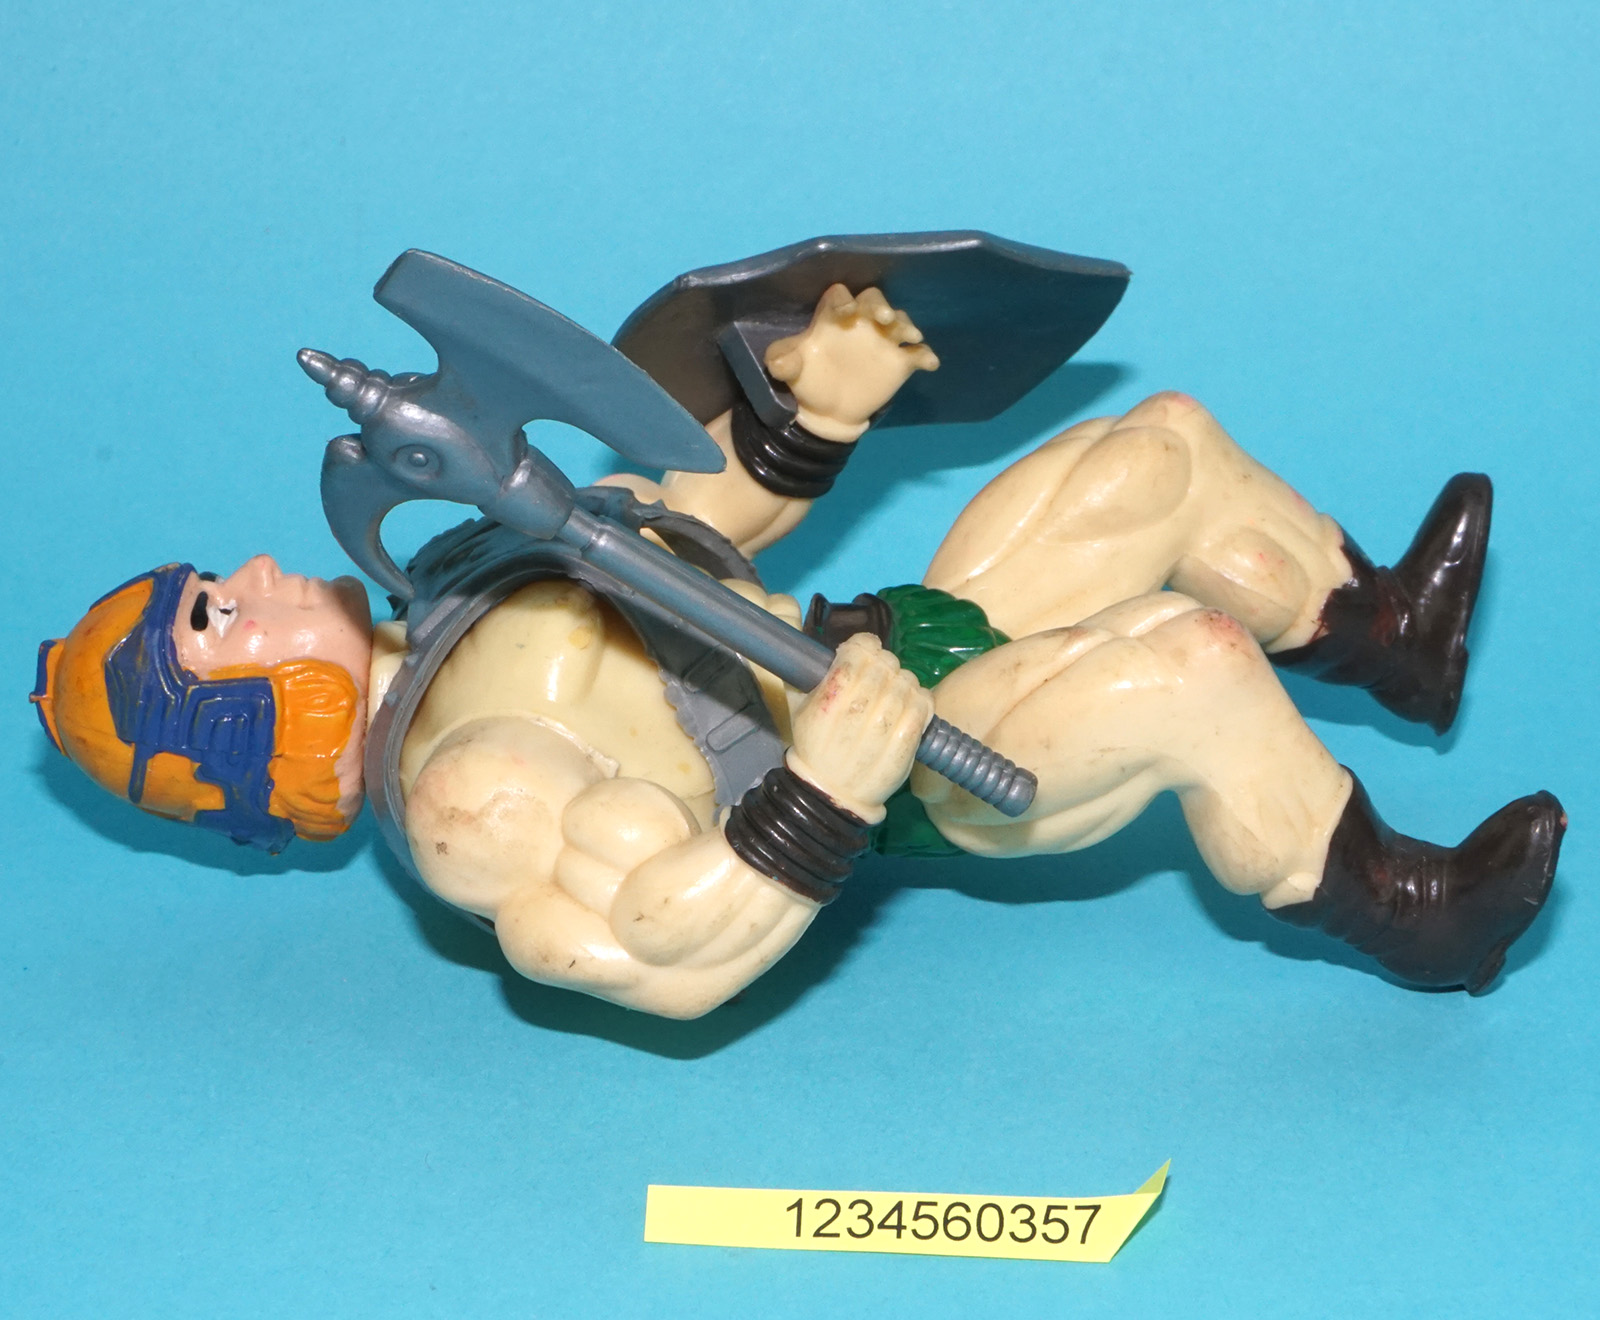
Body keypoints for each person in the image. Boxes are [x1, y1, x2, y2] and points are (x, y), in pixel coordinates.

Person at [31, 283, 1564, 1019]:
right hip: (920, 763)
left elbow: (690, 526)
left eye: (210, 587)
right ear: (241, 721)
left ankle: (1393, 638)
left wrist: (815, 410)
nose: (248, 577)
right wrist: (829, 788)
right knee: (1192, 665)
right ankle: (1415, 912)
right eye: (213, 616)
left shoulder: (452, 566)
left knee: (1155, 450)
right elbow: (661, 958)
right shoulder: (462, 798)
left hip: (878, 638)